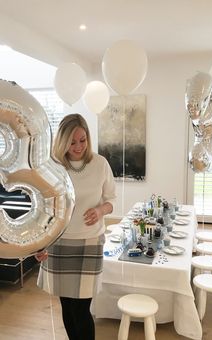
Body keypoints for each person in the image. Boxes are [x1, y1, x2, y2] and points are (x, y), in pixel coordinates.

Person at [36, 113, 116, 340]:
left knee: (81, 309)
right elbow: (44, 208)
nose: (78, 146)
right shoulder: (52, 168)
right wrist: (41, 244)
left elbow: (112, 200)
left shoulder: (100, 164)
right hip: (59, 243)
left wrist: (100, 210)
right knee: (68, 307)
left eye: (83, 140)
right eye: (72, 141)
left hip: (90, 242)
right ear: (62, 141)